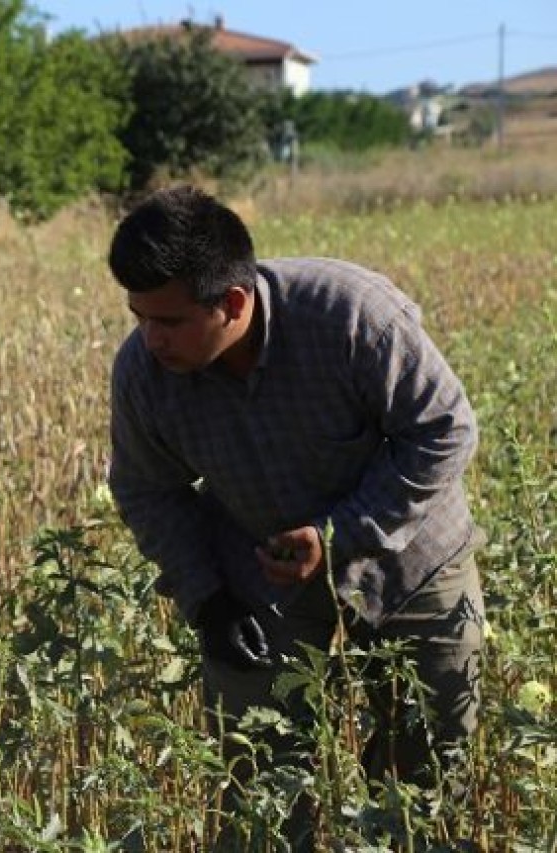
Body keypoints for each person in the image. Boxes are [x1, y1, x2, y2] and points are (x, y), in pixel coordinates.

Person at [105, 186, 484, 848]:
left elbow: (443, 431)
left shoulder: (352, 315)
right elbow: (147, 490)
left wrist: (339, 535)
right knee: (259, 785)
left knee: (426, 769)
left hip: (411, 558)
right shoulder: (143, 372)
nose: (151, 339)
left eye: (168, 321)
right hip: (261, 568)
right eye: (139, 317)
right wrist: (208, 600)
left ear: (233, 303)